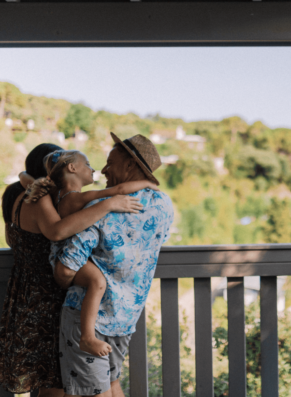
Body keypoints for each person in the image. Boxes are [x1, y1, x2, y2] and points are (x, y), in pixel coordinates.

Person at [0, 143, 143, 397]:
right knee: (57, 385)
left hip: (24, 295)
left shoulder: (18, 196)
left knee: (48, 382)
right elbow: (58, 231)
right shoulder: (41, 199)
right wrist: (109, 205)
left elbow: (15, 240)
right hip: (49, 299)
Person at [51, 133, 174, 397]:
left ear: (130, 165)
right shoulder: (164, 205)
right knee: (112, 385)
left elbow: (65, 269)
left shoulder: (102, 207)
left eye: (110, 162)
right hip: (126, 317)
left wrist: (69, 278)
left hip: (88, 319)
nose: (103, 169)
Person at [21, 149, 159, 358]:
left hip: (61, 255)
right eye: (86, 163)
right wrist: (148, 184)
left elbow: (26, 179)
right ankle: (87, 336)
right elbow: (119, 189)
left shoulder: (56, 195)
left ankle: (87, 336)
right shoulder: (77, 198)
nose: (93, 168)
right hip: (65, 256)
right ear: (72, 168)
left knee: (97, 280)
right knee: (98, 281)